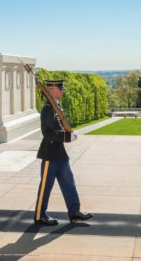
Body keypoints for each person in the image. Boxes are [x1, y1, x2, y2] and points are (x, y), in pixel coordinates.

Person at [34, 79, 94, 226]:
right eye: (61, 88)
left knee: (69, 183)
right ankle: (39, 215)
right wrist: (67, 137)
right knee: (46, 186)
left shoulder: (55, 106)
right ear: (52, 90)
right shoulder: (48, 108)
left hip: (60, 153)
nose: (63, 91)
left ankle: (74, 212)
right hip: (50, 153)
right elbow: (47, 133)